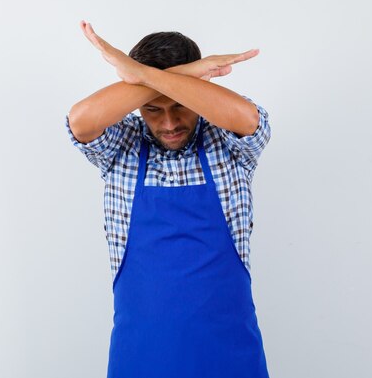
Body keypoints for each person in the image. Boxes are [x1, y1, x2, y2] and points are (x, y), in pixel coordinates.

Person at [66, 20, 272, 378]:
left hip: (228, 357)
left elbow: (249, 118)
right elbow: (80, 121)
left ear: (198, 91)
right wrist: (180, 74)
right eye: (152, 108)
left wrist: (141, 75)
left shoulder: (226, 141)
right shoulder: (122, 145)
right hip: (141, 359)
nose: (169, 123)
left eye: (180, 105)